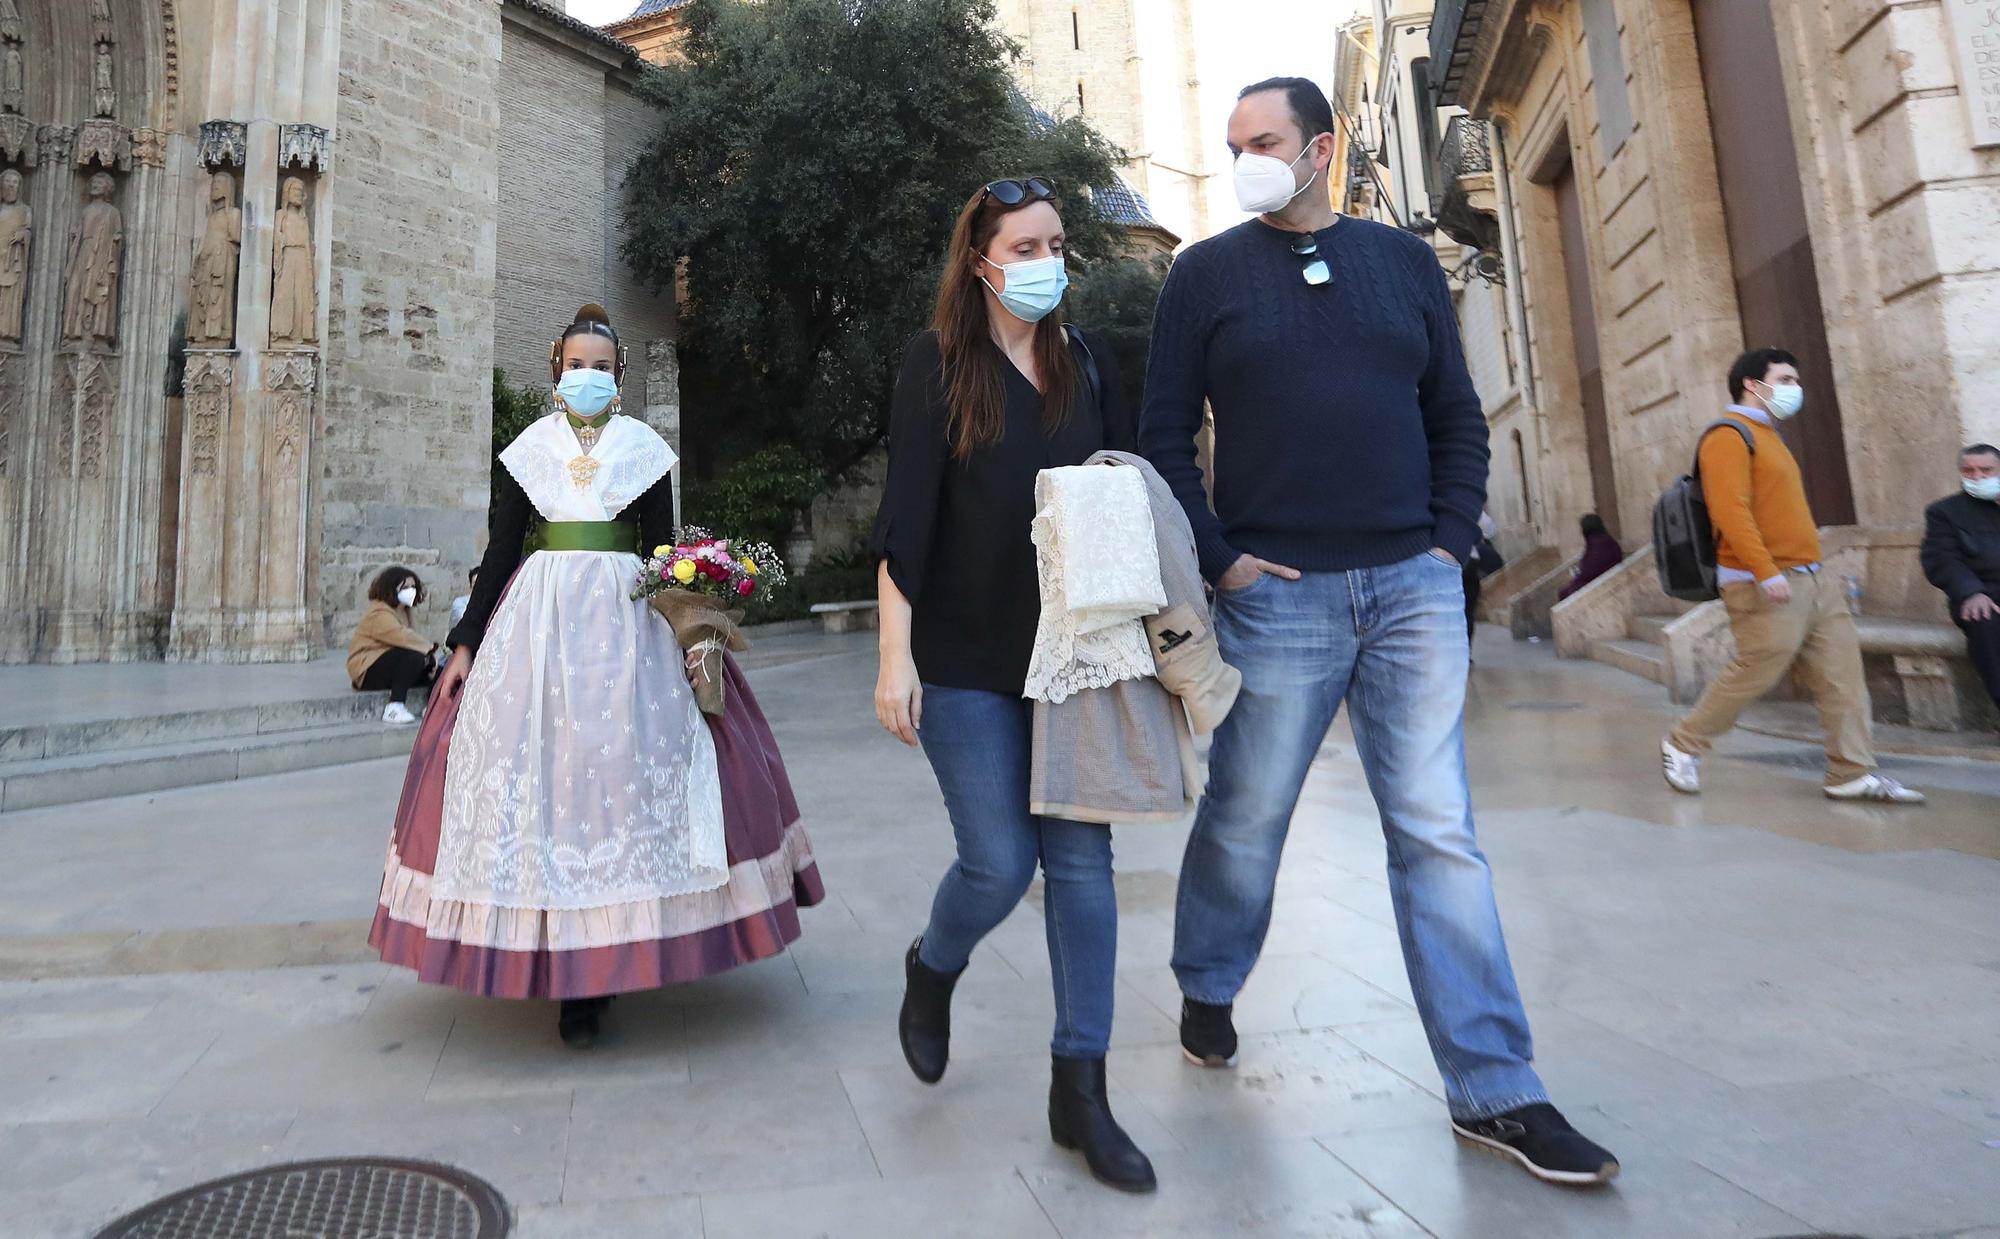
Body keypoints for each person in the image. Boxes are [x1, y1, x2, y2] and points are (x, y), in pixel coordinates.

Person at [1139, 77, 1619, 1185]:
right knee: (1246, 816)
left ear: (1321, 146)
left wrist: (1447, 542)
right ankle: (1208, 980)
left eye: (1262, 141)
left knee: (1437, 831)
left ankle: (1496, 1089)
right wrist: (1222, 562)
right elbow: (1162, 435)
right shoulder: (1201, 275)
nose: (1242, 158)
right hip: (1277, 595)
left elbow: (1452, 413)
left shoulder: (1400, 264)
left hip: (1408, 586)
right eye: (1230, 144)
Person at [368, 303, 824, 1049]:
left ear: (619, 379)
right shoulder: (526, 452)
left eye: (602, 368)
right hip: (536, 631)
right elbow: (504, 553)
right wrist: (463, 645)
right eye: (576, 365)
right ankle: (563, 976)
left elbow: (662, 554)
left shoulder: (645, 450)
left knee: (617, 786)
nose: (588, 377)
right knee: (545, 790)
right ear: (556, 373)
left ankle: (610, 966)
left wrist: (691, 630)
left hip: (627, 633)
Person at [871, 177, 1156, 1193]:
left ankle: (1080, 1088)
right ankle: (931, 965)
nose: (1046, 261)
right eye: (1025, 246)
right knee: (995, 865)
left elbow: (1126, 490)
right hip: (964, 654)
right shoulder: (936, 365)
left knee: (1082, 867)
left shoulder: (1084, 360)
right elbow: (904, 524)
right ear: (981, 261)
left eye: (1056, 242)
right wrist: (891, 659)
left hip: (1075, 655)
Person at [1660, 348, 1922, 803]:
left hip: (1813, 577)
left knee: (1842, 676)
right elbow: (1730, 511)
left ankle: (1850, 772)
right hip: (1763, 580)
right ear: (1752, 384)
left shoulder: (1769, 435)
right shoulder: (1728, 436)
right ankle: (1683, 743)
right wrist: (1764, 570)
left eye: (1794, 380)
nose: (1794, 388)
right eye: (1784, 380)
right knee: (1758, 670)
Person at [1920, 443, 2000, 710]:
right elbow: (1941, 559)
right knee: (1985, 622)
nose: (1977, 477)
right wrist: (1970, 592)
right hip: (1984, 593)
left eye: (1985, 470)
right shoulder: (1945, 513)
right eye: (1969, 471)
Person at [348, 567, 439, 724]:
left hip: (392, 667)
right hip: (367, 670)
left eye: (413, 587)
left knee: (440, 668)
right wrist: (431, 650)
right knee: (412, 657)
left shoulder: (405, 612)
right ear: (391, 588)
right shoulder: (379, 612)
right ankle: (394, 707)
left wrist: (431, 659)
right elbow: (402, 637)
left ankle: (432, 707)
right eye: (405, 587)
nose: (410, 591)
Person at [1557, 513, 1623, 601]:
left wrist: (1578, 575)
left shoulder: (1598, 542)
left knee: (1566, 592)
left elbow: (1591, 569)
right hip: (1599, 577)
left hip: (1600, 580)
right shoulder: (1603, 540)